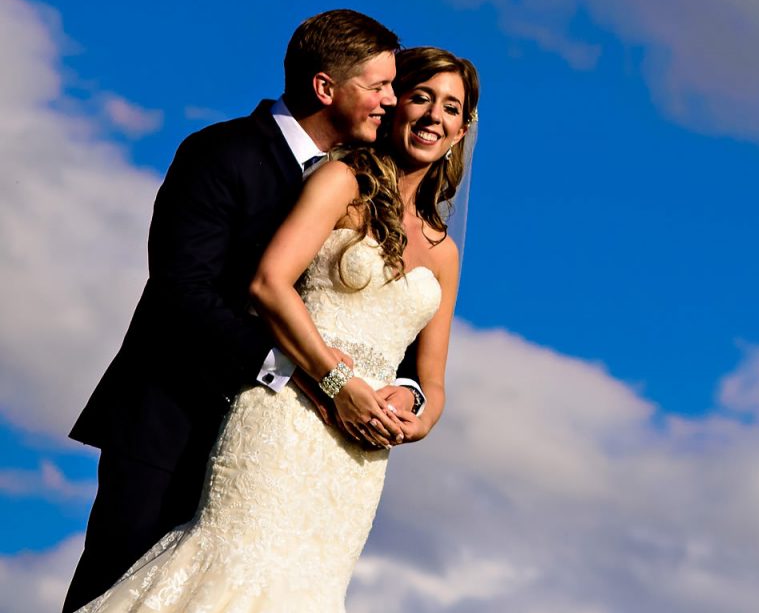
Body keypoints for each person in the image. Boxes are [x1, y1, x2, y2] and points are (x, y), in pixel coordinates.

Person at [69, 45, 477, 612]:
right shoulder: (336, 181)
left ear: (462, 130)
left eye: (452, 107)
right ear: (393, 107)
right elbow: (258, 284)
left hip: (353, 460)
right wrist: (336, 384)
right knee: (230, 568)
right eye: (420, 98)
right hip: (278, 415)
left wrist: (413, 410)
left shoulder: (445, 252)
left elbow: (428, 378)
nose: (435, 115)